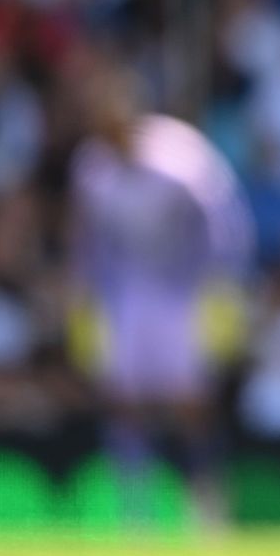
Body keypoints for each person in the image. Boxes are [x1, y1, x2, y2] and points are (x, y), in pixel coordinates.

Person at [67, 59, 255, 527]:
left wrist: (222, 288)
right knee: (125, 402)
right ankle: (137, 512)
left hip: (184, 293)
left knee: (190, 404)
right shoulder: (92, 168)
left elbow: (225, 226)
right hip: (128, 295)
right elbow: (89, 241)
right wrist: (85, 293)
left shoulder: (181, 159)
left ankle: (208, 509)